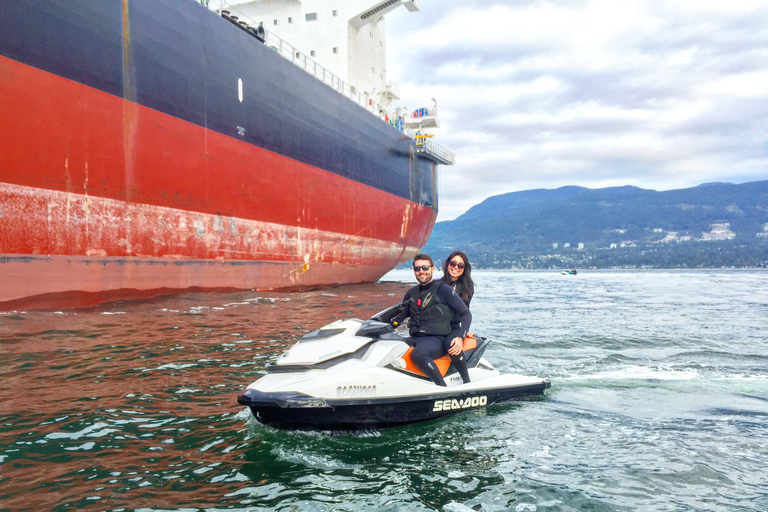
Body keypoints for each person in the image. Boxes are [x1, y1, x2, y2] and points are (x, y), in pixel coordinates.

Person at [391, 253, 471, 386]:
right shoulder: (411, 293)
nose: (421, 271)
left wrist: (461, 336)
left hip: (438, 338)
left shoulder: (444, 290)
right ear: (414, 271)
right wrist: (382, 327)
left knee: (418, 355)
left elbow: (466, 313)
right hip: (416, 337)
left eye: (425, 268)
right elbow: (399, 317)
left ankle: (443, 388)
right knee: (391, 346)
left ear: (432, 269)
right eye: (417, 269)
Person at [439, 251, 476, 383]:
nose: (455, 267)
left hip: (452, 328)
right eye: (453, 263)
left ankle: (466, 381)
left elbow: (466, 312)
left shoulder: (467, 288)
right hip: (435, 327)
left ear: (464, 269)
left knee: (452, 346)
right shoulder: (437, 284)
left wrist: (462, 334)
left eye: (460, 265)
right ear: (447, 264)